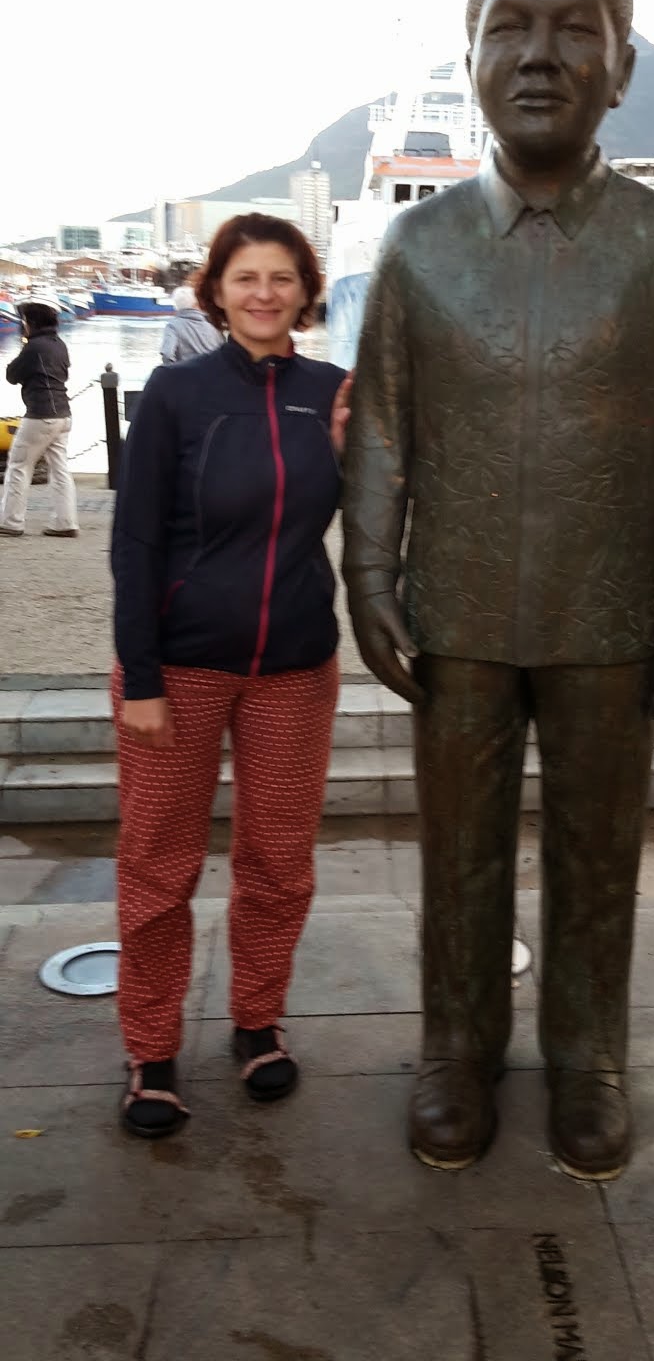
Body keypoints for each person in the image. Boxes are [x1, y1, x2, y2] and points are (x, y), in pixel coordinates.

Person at [342, 0, 654, 1181]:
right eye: (509, 26)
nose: (538, 54)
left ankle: (588, 1057)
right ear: (470, 56)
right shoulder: (419, 246)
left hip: (607, 608)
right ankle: (456, 1050)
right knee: (457, 851)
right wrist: (368, 572)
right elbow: (384, 427)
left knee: (597, 851)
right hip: (454, 608)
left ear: (622, 69)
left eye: (576, 29)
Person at [111, 212, 352, 1139]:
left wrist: (356, 451)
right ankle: (150, 1049)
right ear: (215, 290)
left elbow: (382, 508)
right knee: (158, 867)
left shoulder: (333, 393)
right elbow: (136, 540)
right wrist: (140, 676)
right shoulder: (177, 393)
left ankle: (257, 1020)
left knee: (279, 865)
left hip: (294, 667)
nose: (264, 293)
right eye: (246, 277)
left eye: (282, 277)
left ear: (305, 292)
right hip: (179, 667)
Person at [0, 294, 79, 538]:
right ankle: (65, 522)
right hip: (63, 414)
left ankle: (12, 522)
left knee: (19, 465)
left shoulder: (33, 347)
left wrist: (24, 344)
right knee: (60, 468)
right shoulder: (59, 344)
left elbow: (12, 375)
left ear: (31, 322)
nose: (22, 324)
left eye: (24, 320)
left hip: (40, 414)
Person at [159, 277, 223, 364]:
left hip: (185, 371)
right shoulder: (213, 327)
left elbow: (167, 354)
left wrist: (173, 370)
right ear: (196, 304)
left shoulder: (173, 326)